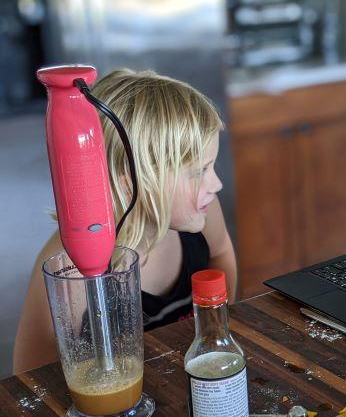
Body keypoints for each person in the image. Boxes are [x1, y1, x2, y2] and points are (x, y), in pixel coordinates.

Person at [13, 69, 237, 374]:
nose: (216, 184)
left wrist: (218, 331)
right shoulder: (69, 263)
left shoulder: (203, 212)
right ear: (132, 182)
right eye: (199, 171)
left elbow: (222, 252)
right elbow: (30, 375)